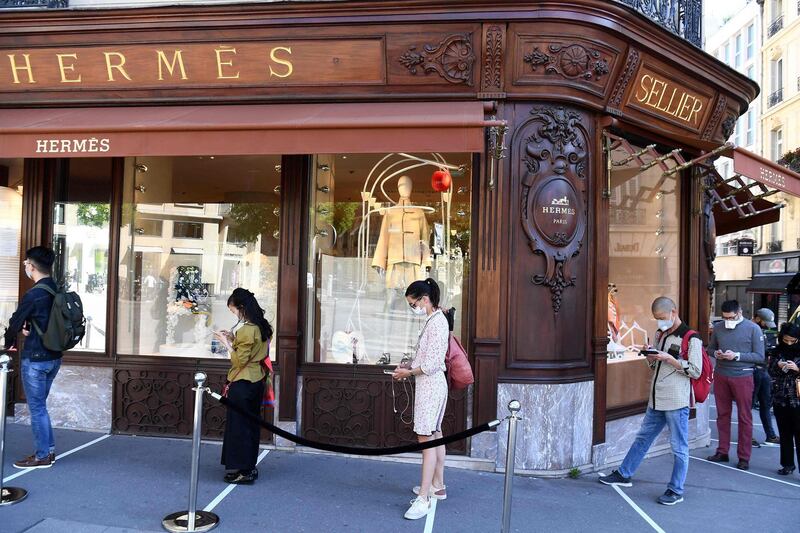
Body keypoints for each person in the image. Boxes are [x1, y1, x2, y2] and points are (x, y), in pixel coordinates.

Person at [598, 297, 702, 505]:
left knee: (679, 446)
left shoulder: (691, 338)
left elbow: (696, 371)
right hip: (656, 398)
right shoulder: (659, 334)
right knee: (642, 438)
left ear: (674, 311)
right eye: (656, 319)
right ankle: (624, 474)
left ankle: (676, 489)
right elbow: (655, 368)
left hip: (676, 401)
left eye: (662, 318)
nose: (660, 322)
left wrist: (670, 359)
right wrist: (650, 356)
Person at [392, 278, 448, 520]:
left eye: (412, 303)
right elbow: (428, 359)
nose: (412, 307)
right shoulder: (434, 320)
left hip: (431, 387)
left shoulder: (437, 322)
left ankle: (424, 498)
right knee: (434, 435)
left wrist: (408, 372)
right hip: (431, 386)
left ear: (424, 299)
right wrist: (408, 366)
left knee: (426, 439)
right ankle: (437, 485)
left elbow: (433, 364)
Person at [3, 247, 62, 469]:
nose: (25, 266)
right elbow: (46, 321)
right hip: (54, 358)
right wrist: (30, 329)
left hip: (36, 359)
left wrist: (8, 343)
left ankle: (42, 456)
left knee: (37, 408)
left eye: (26, 263)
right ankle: (49, 451)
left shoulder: (34, 293)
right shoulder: (56, 288)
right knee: (41, 407)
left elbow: (15, 322)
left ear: (32, 266)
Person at [213, 288, 272, 485]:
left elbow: (239, 361)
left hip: (243, 383)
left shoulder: (247, 329)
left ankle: (243, 471)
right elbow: (253, 350)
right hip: (256, 380)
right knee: (250, 426)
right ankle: (248, 467)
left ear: (241, 308)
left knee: (239, 427)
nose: (233, 314)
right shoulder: (260, 326)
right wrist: (231, 337)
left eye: (233, 311)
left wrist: (225, 343)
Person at [707, 300, 765, 470]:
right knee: (722, 415)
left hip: (743, 375)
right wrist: (716, 353)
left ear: (739, 312)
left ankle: (744, 457)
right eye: (725, 318)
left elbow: (760, 356)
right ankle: (722, 451)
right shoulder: (718, 328)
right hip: (721, 374)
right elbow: (709, 349)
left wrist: (737, 356)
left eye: (731, 317)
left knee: (744, 417)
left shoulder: (753, 328)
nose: (728, 321)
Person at [767, 322, 800, 476]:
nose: (788, 343)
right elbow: (770, 371)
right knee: (785, 434)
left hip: (797, 400)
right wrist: (778, 365)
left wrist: (797, 368)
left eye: (792, 340)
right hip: (780, 398)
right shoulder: (776, 351)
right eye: (786, 340)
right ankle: (787, 465)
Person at [751, 308, 779, 446]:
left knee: (765, 404)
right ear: (757, 318)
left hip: (764, 371)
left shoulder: (763, 331)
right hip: (752, 371)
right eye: (765, 322)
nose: (767, 325)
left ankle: (771, 435)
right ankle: (748, 436)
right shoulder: (749, 330)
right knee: (748, 405)